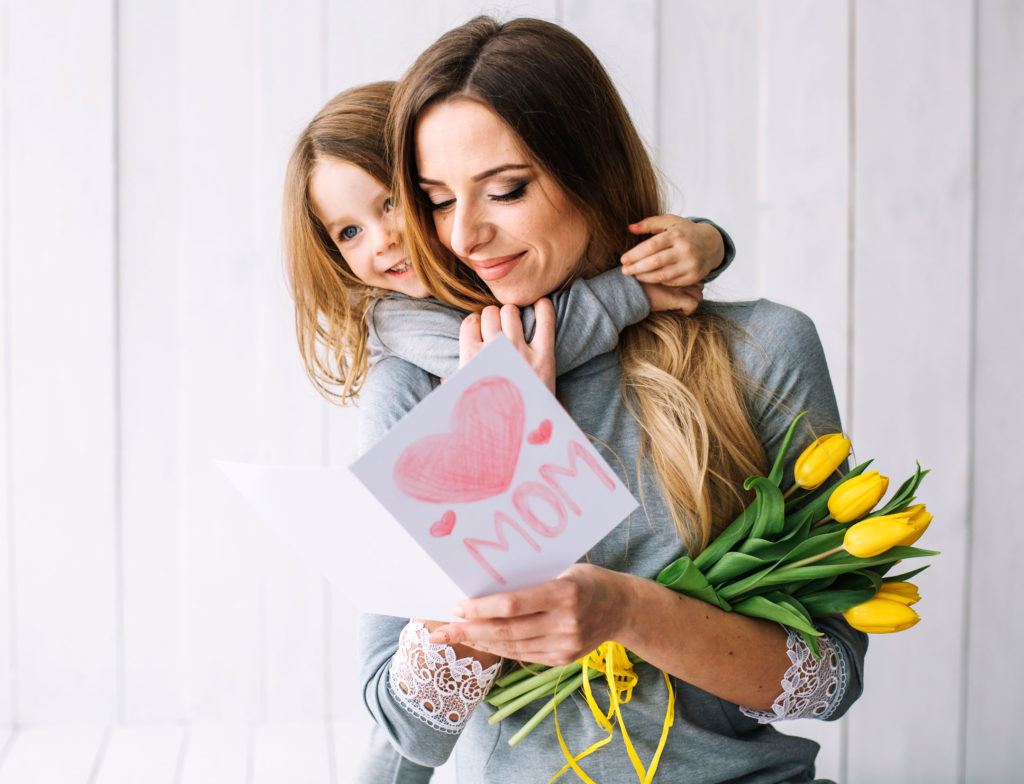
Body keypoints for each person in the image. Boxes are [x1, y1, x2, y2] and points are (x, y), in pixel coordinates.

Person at [357, 16, 867, 784]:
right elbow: (406, 733)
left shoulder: (762, 352)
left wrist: (631, 613)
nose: (465, 234)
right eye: (433, 200)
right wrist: (502, 435)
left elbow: (829, 680)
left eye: (506, 190)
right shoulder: (419, 385)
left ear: (591, 170)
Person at [282, 80, 738, 782]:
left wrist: (706, 240)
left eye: (395, 203)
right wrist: (631, 293)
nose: (382, 242)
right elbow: (516, 349)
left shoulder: (529, 290)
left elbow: (541, 322)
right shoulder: (407, 352)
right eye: (348, 232)